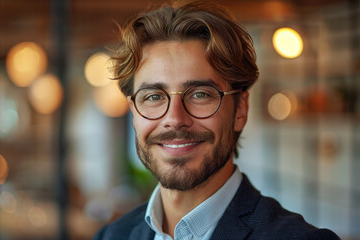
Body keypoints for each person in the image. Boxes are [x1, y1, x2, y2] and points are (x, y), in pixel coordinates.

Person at [94, 1, 340, 239]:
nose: (174, 118)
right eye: (154, 96)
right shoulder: (112, 235)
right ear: (134, 112)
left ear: (240, 110)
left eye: (200, 94)